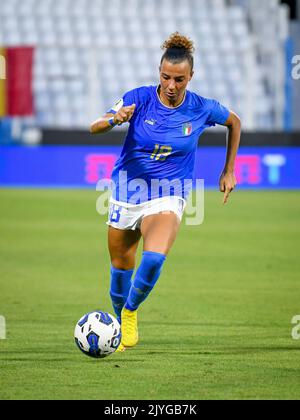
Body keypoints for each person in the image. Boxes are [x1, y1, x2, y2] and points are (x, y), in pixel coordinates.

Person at [90, 32, 241, 352]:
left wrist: (228, 169)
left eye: (180, 79)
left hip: (170, 193)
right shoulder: (139, 98)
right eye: (166, 77)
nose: (172, 85)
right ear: (159, 73)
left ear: (191, 77)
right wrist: (114, 119)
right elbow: (95, 125)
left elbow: (234, 122)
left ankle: (129, 312)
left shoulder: (202, 108)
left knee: (155, 258)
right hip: (127, 191)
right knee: (120, 268)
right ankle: (119, 320)